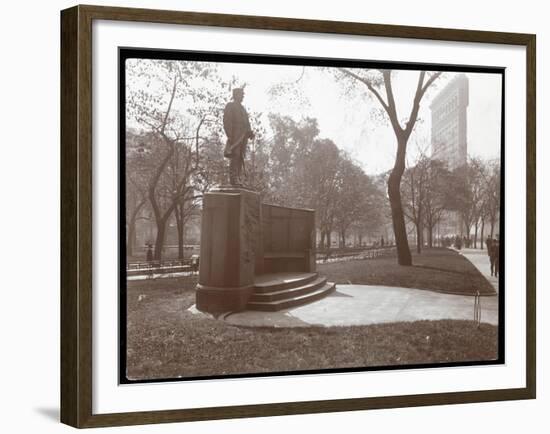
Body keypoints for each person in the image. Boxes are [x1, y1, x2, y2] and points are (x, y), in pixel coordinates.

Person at [223, 87, 254, 185]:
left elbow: (247, 123)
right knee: (235, 156)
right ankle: (233, 179)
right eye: (241, 94)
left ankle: (238, 177)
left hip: (243, 136)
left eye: (243, 95)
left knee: (241, 156)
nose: (243, 96)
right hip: (235, 135)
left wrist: (250, 132)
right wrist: (230, 135)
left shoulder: (243, 109)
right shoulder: (230, 106)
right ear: (236, 95)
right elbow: (227, 121)